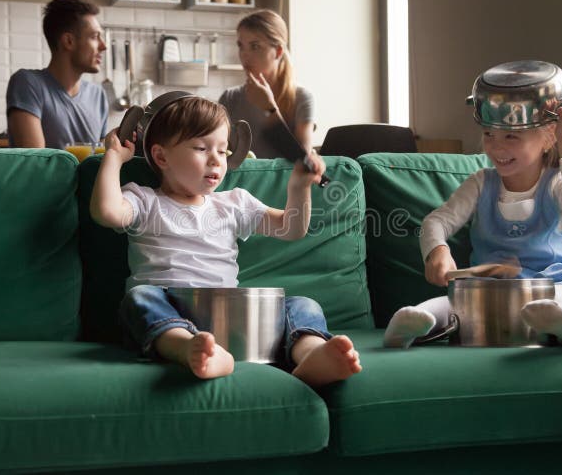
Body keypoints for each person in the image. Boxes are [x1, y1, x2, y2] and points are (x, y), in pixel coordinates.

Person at [89, 95, 362, 385]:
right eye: (201, 148)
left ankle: (311, 353)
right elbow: (106, 211)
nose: (215, 160)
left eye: (222, 151)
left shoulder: (233, 203)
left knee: (302, 305)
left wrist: (299, 187)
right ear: (161, 157)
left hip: (227, 313)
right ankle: (188, 348)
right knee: (139, 298)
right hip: (167, 303)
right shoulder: (144, 200)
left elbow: (291, 228)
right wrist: (113, 157)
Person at [383, 96, 562, 352]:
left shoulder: (556, 183)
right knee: (449, 306)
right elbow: (436, 221)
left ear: (548, 138)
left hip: (553, 284)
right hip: (489, 294)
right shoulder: (481, 183)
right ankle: (411, 323)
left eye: (511, 137)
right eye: (489, 134)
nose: (496, 147)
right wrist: (437, 251)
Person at [7, 0, 109, 149]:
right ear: (68, 41)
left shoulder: (98, 95)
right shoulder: (27, 83)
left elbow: (101, 161)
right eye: (95, 37)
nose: (103, 46)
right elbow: (36, 162)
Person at [219, 9, 314, 158]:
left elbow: (303, 162)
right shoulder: (230, 97)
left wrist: (269, 109)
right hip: (240, 182)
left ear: (278, 51)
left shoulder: (302, 98)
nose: (244, 54)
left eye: (255, 46)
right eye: (240, 46)